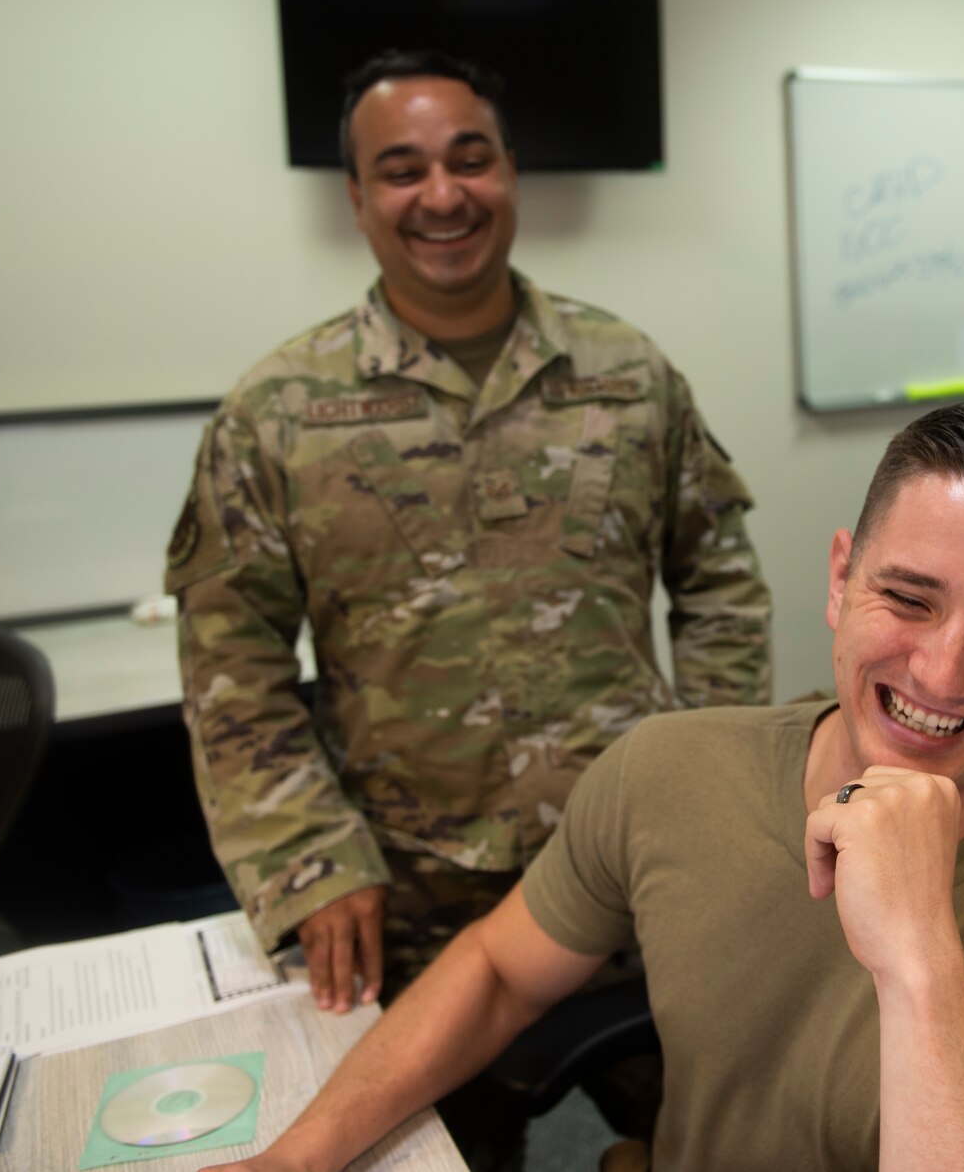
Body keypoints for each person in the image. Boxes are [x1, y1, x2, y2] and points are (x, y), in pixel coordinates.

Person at [209, 400, 964, 1172]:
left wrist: (917, 957)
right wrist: (300, 1152)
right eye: (907, 598)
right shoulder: (669, 772)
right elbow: (502, 974)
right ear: (839, 580)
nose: (941, 673)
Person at [164, 51, 770, 1045]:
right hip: (403, 902)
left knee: (702, 1137)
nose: (442, 194)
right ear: (358, 200)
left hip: (633, 866)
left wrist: (710, 787)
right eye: (401, 170)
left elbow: (720, 581)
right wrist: (306, 858)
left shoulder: (625, 371)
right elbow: (231, 664)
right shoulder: (278, 412)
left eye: (469, 159)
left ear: (510, 173)